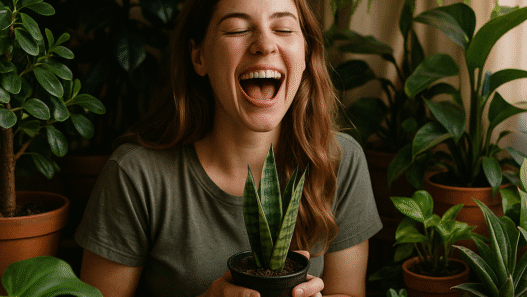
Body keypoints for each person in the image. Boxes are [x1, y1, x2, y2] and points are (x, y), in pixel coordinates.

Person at [74, 0, 383, 296]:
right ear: (199, 57)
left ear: (306, 52)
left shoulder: (340, 160)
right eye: (236, 29)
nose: (264, 44)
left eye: (284, 29)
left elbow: (346, 291)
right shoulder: (136, 175)